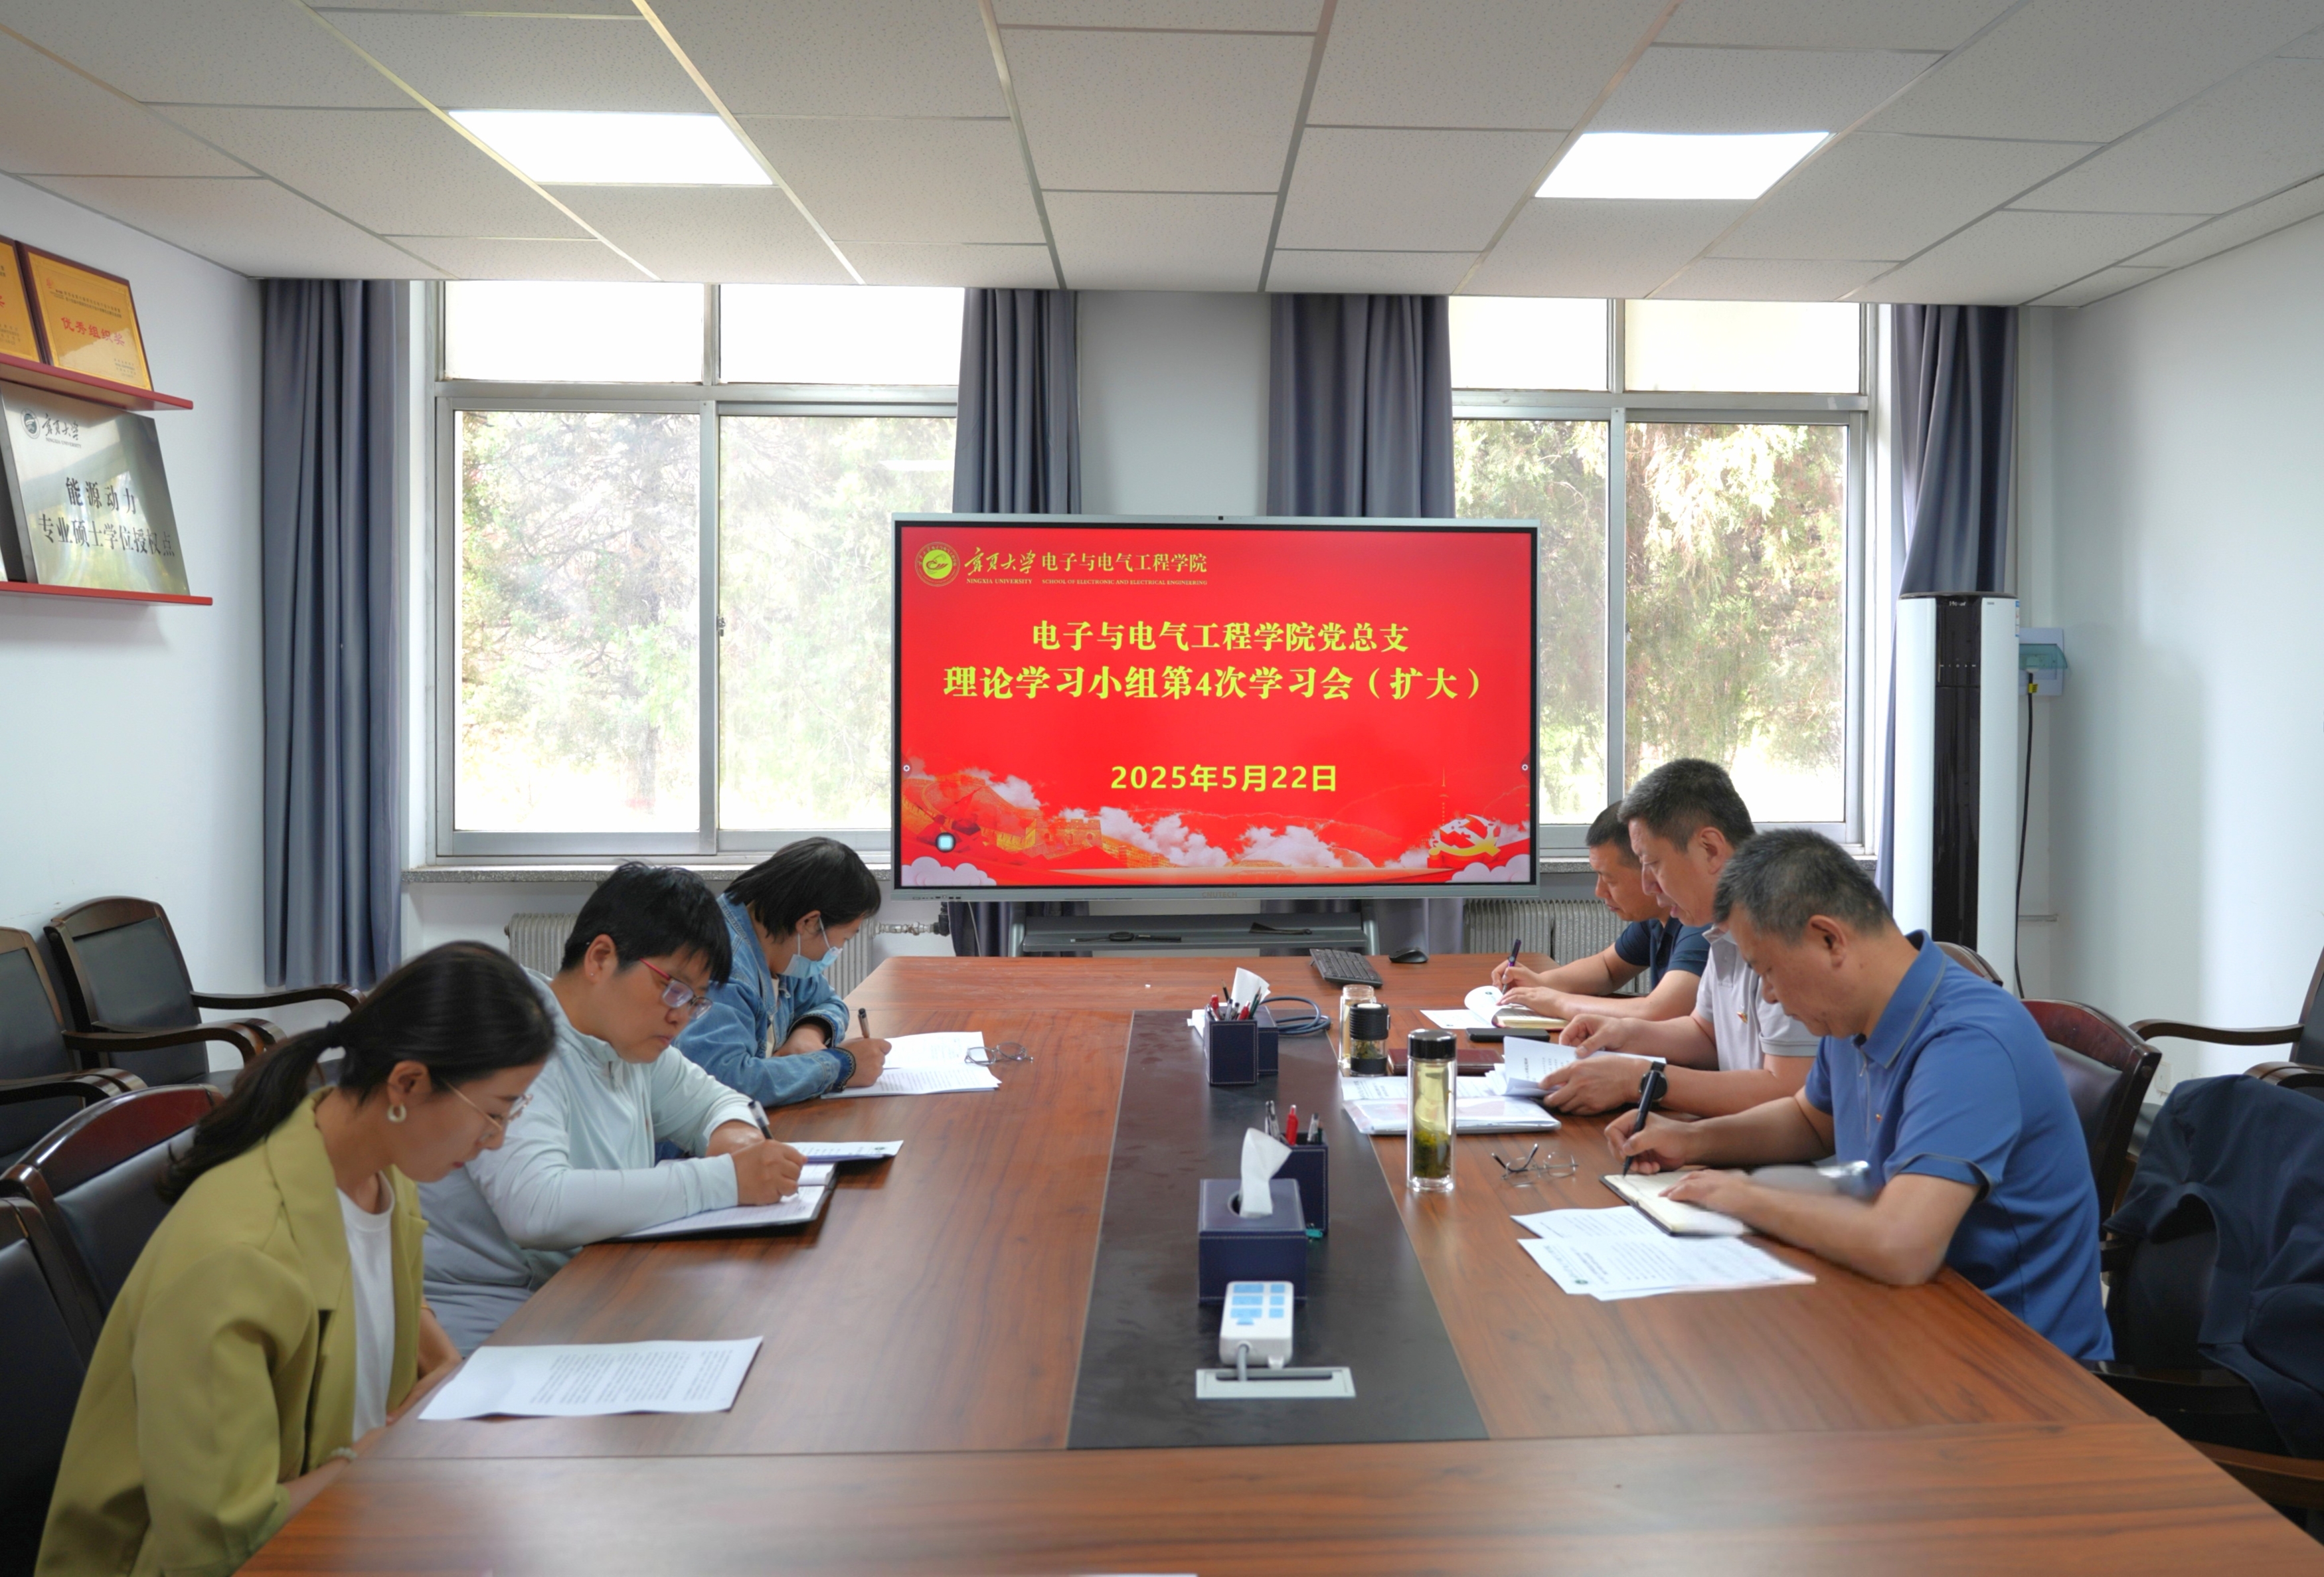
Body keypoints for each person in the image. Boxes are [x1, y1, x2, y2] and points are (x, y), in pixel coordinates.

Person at [39, 944, 554, 1576]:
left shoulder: (385, 1173)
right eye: (493, 1113)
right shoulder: (237, 1255)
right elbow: (220, 1543)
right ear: (408, 1082)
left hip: (347, 1518)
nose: (496, 1139)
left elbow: (383, 1298)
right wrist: (377, 1456)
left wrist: (446, 1366)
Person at [1610, 829, 2111, 1361]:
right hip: (1902, 1317)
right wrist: (1691, 1140)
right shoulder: (1853, 1014)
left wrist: (1743, 1196)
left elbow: (1903, 1246)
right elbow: (1809, 1119)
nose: (1770, 995)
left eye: (1768, 970)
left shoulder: (1967, 1043)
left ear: (1830, 939)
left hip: (2015, 1362)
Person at [421, 863, 807, 1354]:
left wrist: (740, 1139)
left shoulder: (627, 1043)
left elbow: (717, 1101)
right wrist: (725, 1180)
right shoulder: (515, 1035)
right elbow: (537, 1207)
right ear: (601, 958)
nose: (681, 1016)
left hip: (586, 1289)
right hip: (491, 1316)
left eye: (695, 1001)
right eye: (673, 988)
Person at [1535, 758, 1820, 1117]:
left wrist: (1642, 1080)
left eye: (1652, 863)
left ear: (1710, 850)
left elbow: (1789, 1093)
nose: (1647, 885)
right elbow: (1705, 1033)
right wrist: (1624, 1033)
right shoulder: (1723, 928)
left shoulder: (1787, 930)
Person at [675, 837, 891, 1107]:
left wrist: (810, 1032)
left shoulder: (777, 937)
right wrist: (841, 1066)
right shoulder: (724, 968)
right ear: (810, 922)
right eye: (844, 938)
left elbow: (828, 1001)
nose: (837, 949)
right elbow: (725, 1080)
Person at [1489, 800, 1706, 1024]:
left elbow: (1659, 1011)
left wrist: (1558, 1002)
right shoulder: (1657, 917)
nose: (1599, 891)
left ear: (1650, 867)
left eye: (1610, 880)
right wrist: (1539, 983)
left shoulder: (1701, 923)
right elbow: (1608, 968)